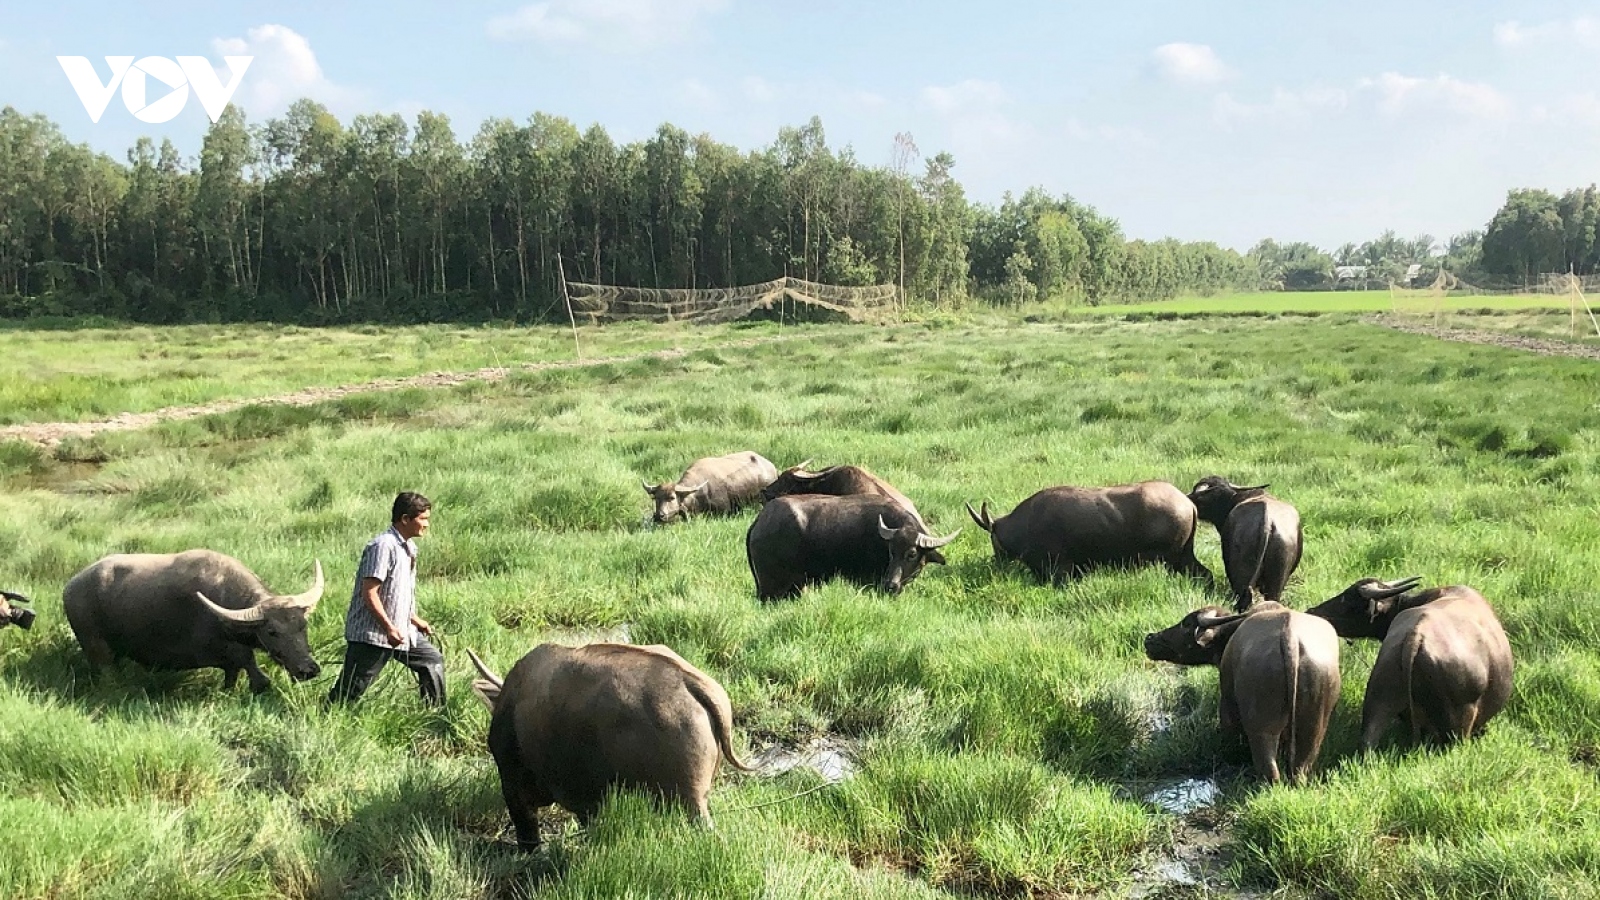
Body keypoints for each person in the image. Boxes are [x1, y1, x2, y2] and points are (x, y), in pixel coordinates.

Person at [327, 491, 444, 707]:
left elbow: (396, 594)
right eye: (423, 519)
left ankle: (434, 715)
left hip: (402, 631)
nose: (427, 524)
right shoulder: (382, 546)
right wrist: (389, 628)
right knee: (350, 691)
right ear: (405, 519)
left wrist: (415, 620)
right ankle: (327, 719)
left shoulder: (409, 548)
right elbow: (370, 592)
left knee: (431, 659)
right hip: (373, 635)